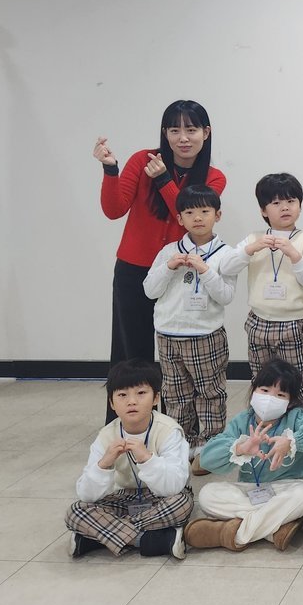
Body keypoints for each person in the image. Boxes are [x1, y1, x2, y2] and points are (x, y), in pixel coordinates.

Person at [95, 99, 225, 421]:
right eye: (174, 130)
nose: (183, 138)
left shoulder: (214, 178)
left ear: (206, 133)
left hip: (180, 275)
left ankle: (174, 426)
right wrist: (110, 169)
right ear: (165, 133)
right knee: (130, 353)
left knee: (177, 356)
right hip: (134, 270)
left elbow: (188, 216)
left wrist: (165, 180)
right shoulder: (143, 161)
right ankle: (127, 425)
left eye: (191, 129)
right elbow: (114, 210)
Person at [184, 360, 303, 552]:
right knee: (208, 494)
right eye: (264, 390)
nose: (270, 398)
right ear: (253, 390)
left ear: (290, 402)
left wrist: (291, 441)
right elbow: (207, 459)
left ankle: (231, 533)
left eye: (280, 395)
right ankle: (275, 527)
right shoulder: (241, 422)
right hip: (252, 490)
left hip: (292, 486)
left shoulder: (296, 418)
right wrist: (240, 448)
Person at [142, 184, 239, 474]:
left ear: (217, 215)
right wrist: (169, 267)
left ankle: (209, 450)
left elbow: (226, 295)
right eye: (189, 212)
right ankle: (179, 447)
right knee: (175, 395)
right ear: (180, 218)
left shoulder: (226, 254)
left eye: (205, 211)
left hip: (205, 335)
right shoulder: (169, 251)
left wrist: (205, 270)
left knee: (210, 393)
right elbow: (150, 290)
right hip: (168, 335)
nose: (197, 218)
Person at [65, 360, 192, 559]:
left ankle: (98, 538)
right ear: (112, 403)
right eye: (122, 395)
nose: (132, 401)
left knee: (182, 502)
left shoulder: (169, 430)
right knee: (76, 511)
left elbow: (173, 487)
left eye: (141, 393)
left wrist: (147, 459)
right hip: (121, 498)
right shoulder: (106, 436)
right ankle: (148, 540)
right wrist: (104, 464)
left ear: (156, 398)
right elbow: (86, 495)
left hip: (160, 498)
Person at [232, 172, 303, 410]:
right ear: (263, 211)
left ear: (300, 206)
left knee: (296, 381)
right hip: (258, 321)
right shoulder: (254, 238)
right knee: (261, 381)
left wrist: (294, 254)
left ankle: (298, 428)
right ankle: (262, 426)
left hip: (292, 322)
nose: (285, 207)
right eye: (276, 203)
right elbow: (227, 267)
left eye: (291, 201)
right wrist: (251, 249)